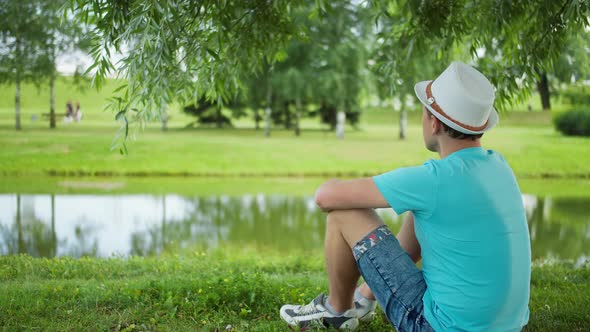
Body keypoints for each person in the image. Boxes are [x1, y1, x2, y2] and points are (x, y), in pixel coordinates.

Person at [279, 62, 531, 331]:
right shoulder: (498, 166)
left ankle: (336, 312)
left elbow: (325, 197)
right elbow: (421, 226)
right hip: (506, 326)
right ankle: (362, 299)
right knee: (423, 210)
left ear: (433, 122)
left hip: (436, 327)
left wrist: (333, 181)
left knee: (344, 213)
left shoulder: (434, 178)